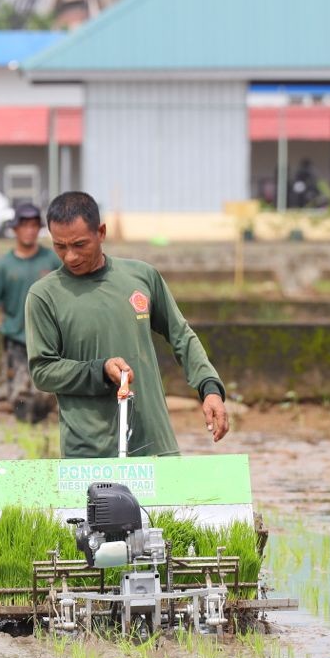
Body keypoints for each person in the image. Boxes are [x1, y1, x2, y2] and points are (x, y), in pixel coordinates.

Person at [26, 191, 229, 459]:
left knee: (170, 502)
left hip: (154, 442)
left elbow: (181, 336)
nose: (70, 257)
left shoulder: (141, 277)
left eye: (79, 244)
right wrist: (99, 370)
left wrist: (210, 388)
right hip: (89, 451)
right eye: (60, 246)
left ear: (101, 232)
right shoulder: (44, 295)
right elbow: (43, 371)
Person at [0, 202, 60, 422]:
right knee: (19, 391)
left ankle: (39, 426)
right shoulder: (4, 266)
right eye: (24, 225)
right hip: (16, 338)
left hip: (48, 338)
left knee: (45, 390)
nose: (29, 230)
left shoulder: (51, 261)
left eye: (34, 225)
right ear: (15, 228)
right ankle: (25, 429)